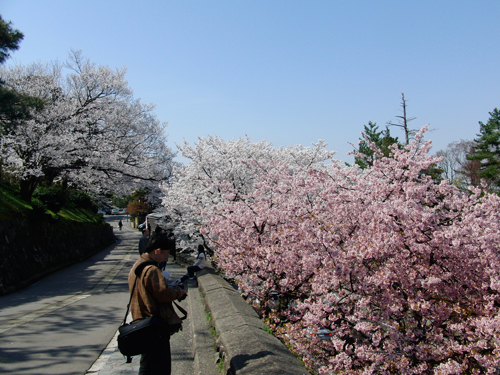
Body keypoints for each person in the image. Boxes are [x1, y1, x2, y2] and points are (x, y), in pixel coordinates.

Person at [128, 236, 187, 375]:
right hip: (154, 323)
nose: (166, 257)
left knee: (147, 363)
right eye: (166, 254)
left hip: (141, 321)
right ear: (158, 250)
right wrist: (177, 291)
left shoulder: (136, 266)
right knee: (160, 365)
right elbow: (163, 293)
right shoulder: (152, 270)